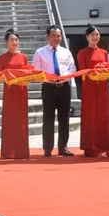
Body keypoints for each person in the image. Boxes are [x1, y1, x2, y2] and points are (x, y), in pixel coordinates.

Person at [32, 25, 76, 157]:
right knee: (48, 118)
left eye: (58, 36)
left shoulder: (66, 52)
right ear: (48, 37)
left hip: (64, 87)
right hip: (48, 88)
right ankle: (47, 148)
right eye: (53, 35)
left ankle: (63, 147)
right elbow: (35, 70)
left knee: (64, 118)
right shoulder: (40, 52)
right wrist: (47, 78)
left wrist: (64, 77)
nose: (56, 38)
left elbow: (72, 68)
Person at [77, 25, 109, 158]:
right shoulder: (82, 53)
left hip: (102, 87)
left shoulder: (104, 53)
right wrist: (94, 72)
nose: (95, 37)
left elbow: (108, 70)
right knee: (90, 116)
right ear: (87, 37)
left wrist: (103, 72)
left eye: (97, 34)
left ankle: (103, 146)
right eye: (92, 35)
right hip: (89, 87)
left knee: (103, 115)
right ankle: (89, 147)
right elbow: (82, 72)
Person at [0, 29, 30, 159]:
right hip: (9, 93)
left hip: (21, 92)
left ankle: (21, 151)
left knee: (21, 121)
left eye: (16, 39)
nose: (14, 42)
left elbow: (28, 73)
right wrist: (11, 77)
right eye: (11, 40)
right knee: (10, 121)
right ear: (7, 42)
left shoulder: (24, 57)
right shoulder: (2, 58)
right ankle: (8, 151)